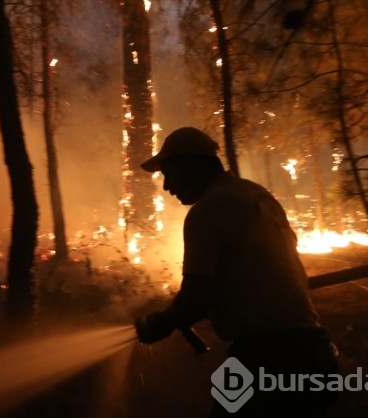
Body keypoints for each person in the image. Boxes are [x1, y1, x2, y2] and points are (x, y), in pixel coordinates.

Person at [134, 127, 339, 417]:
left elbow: (194, 298)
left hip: (267, 358)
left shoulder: (208, 210)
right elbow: (254, 276)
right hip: (315, 353)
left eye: (169, 173)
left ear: (193, 164)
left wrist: (161, 322)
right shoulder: (256, 195)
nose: (167, 186)